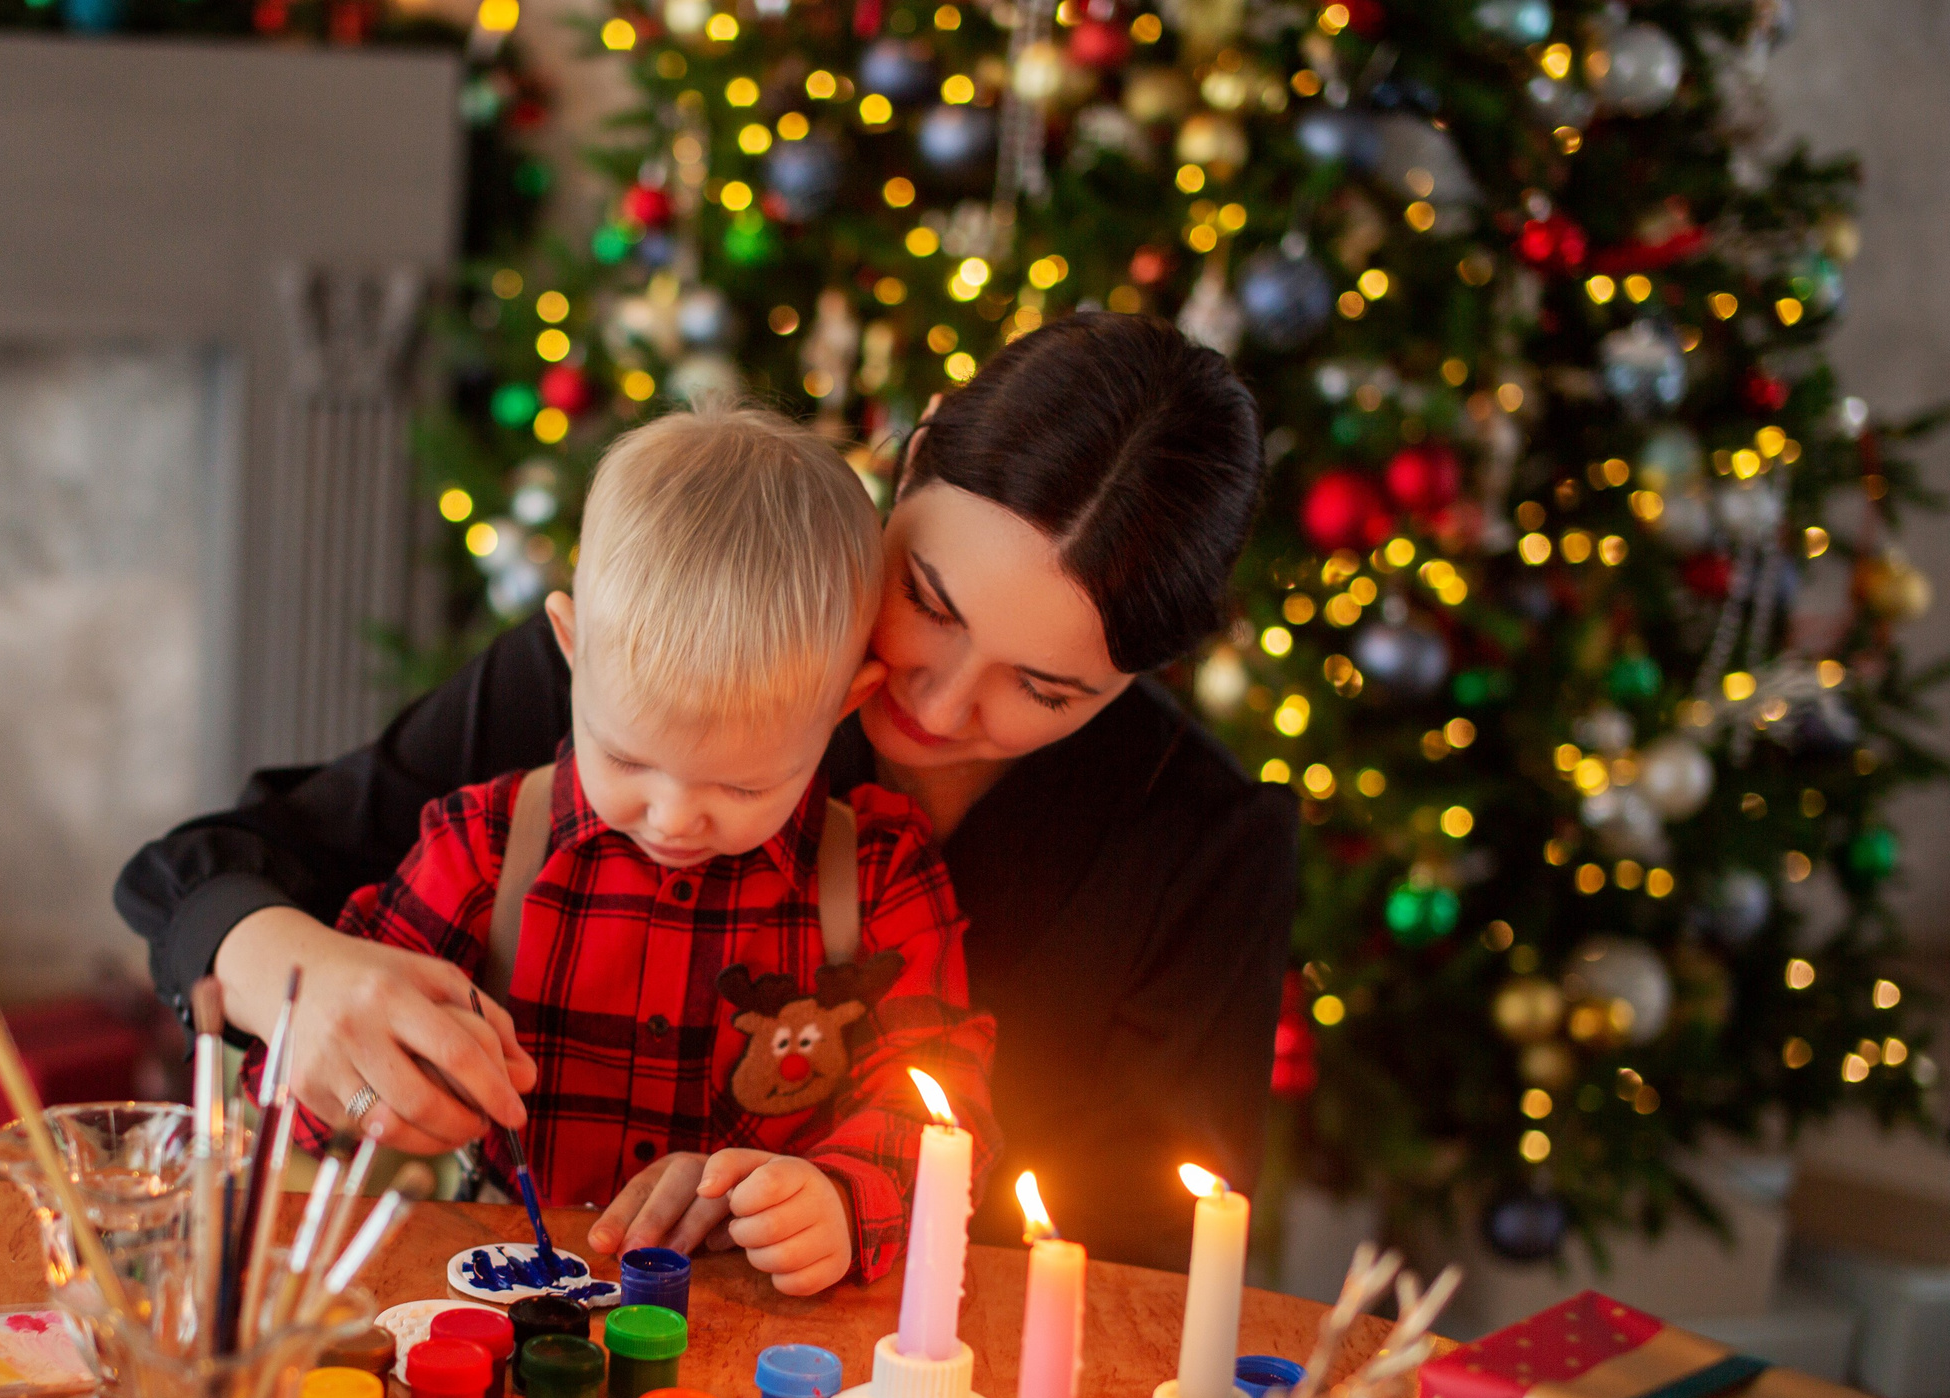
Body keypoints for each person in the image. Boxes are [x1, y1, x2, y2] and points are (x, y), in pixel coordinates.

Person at [117, 312, 1289, 1272]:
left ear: (1146, 668)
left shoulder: (1199, 841)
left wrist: (802, 1205)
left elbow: (1145, 1262)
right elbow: (216, 866)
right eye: (928, 603)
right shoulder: (652, 666)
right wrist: (298, 978)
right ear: (917, 449)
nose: (935, 704)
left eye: (1043, 689)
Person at [312, 404, 996, 1296]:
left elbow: (943, 1111)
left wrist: (834, 1196)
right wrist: (366, 1081)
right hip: (502, 1304)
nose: (673, 818)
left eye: (743, 785)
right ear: (569, 649)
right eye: (628, 758)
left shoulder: (876, 877)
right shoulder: (485, 847)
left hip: (750, 1327)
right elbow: (314, 1053)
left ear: (841, 707)